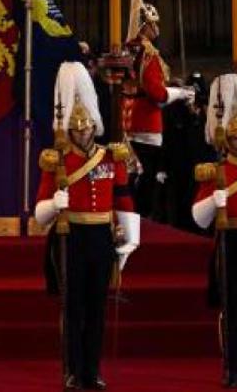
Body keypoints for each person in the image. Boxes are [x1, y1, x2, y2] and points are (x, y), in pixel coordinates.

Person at [35, 61, 139, 391]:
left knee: (96, 309)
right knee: (73, 307)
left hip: (100, 238)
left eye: (86, 128)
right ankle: (72, 370)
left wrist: (130, 239)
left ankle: (92, 371)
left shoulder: (111, 158)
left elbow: (123, 200)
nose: (82, 133)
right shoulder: (57, 161)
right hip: (71, 236)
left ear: (94, 125)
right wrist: (55, 205)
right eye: (76, 129)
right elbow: (39, 214)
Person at [122, 0, 194, 218]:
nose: (157, 30)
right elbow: (159, 96)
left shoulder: (130, 49)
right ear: (145, 25)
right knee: (147, 182)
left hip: (130, 120)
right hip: (147, 125)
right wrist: (183, 93)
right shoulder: (149, 54)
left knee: (133, 178)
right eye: (153, 25)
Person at [194, 73, 237, 387]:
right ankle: (232, 366)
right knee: (233, 307)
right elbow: (198, 218)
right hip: (231, 240)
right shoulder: (217, 170)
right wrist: (215, 200)